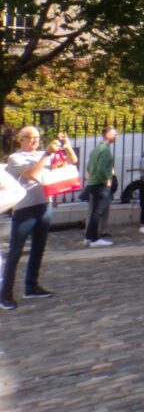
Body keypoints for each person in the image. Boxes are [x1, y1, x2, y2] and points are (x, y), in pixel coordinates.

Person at [2, 127, 77, 310]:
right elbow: (31, 174)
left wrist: (66, 147)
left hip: (44, 205)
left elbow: (72, 161)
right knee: (16, 252)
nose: (35, 141)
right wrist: (46, 154)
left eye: (38, 137)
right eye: (31, 137)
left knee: (39, 248)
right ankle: (5, 294)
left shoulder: (42, 154)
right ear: (21, 139)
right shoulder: (16, 158)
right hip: (25, 208)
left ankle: (31, 286)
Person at [84, 126, 117, 248]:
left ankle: (88, 237)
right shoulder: (105, 150)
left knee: (94, 212)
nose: (115, 136)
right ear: (106, 134)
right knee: (98, 212)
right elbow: (102, 168)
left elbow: (89, 167)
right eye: (113, 133)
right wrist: (107, 180)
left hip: (93, 183)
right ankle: (94, 239)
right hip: (100, 184)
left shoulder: (96, 149)